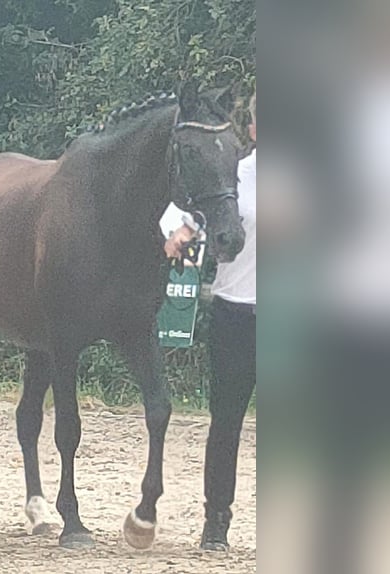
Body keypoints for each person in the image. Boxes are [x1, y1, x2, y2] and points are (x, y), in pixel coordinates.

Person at [164, 91, 256, 551]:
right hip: (235, 312)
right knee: (226, 422)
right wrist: (179, 234)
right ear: (252, 128)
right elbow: (178, 213)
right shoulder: (233, 174)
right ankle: (216, 521)